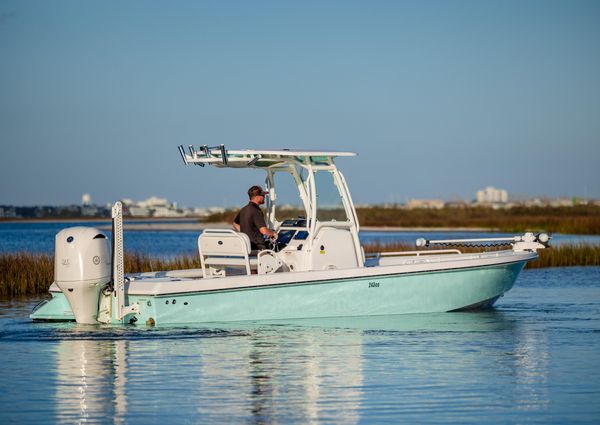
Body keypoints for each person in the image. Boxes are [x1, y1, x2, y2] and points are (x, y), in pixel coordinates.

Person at [233, 185, 277, 250]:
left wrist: (245, 232)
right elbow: (263, 230)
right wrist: (273, 233)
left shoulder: (244, 209)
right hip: (257, 247)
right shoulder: (256, 211)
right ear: (257, 197)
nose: (264, 197)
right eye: (262, 195)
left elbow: (235, 223)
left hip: (246, 246)